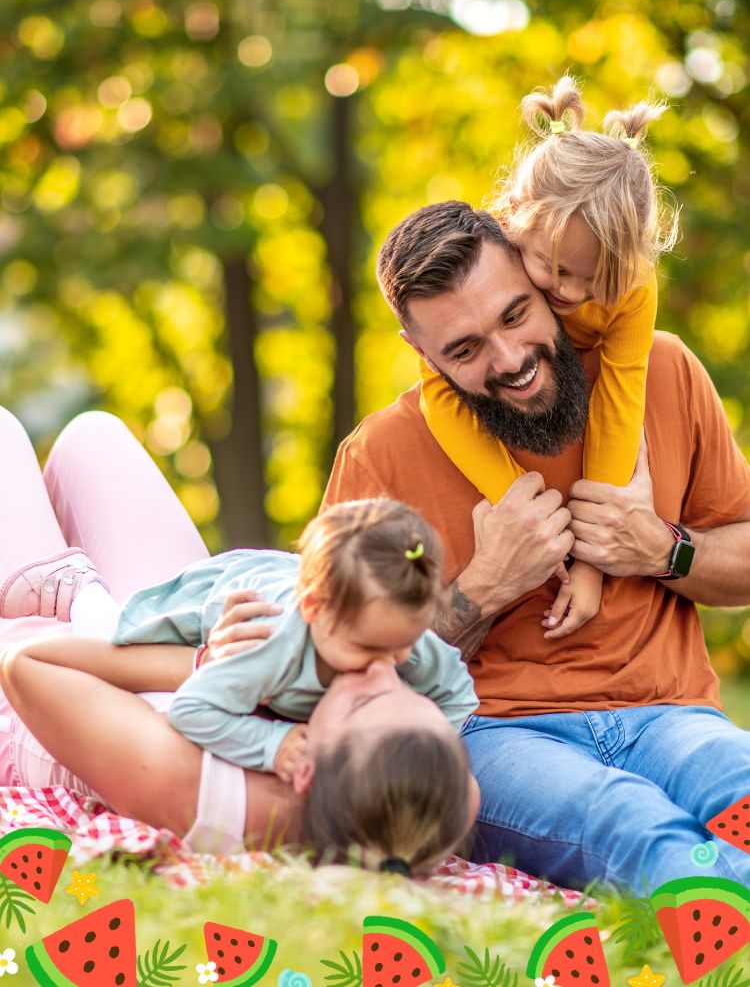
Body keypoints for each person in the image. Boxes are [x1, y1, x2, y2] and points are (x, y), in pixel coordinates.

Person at [322, 198, 750, 894]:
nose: (511, 359)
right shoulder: (379, 456)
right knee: (629, 819)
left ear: (541, 279)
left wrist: (662, 549)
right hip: (498, 736)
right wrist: (483, 588)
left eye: (515, 314)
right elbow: (336, 671)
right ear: (421, 352)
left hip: (673, 716)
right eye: (465, 349)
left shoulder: (662, 369)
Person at [0, 407, 479, 875]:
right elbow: (463, 788)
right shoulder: (411, 795)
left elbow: (27, 663)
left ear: (305, 770)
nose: (384, 670)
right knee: (95, 435)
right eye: (413, 696)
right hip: (192, 624)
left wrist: (203, 661)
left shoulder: (192, 783)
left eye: (364, 700)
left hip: (61, 683)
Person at [420, 76, 678, 639]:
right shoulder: (489, 260)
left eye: (596, 279)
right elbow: (439, 389)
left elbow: (618, 403)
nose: (571, 293)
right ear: (516, 217)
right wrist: (522, 506)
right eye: (555, 270)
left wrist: (591, 563)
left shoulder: (633, 286)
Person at [103, 498, 478, 780]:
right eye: (368, 649)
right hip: (219, 596)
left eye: (404, 645)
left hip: (311, 583)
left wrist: (426, 750)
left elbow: (458, 693)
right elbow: (192, 709)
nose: (387, 664)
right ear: (314, 609)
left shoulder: (391, 627)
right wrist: (273, 742)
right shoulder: (272, 644)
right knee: (107, 625)